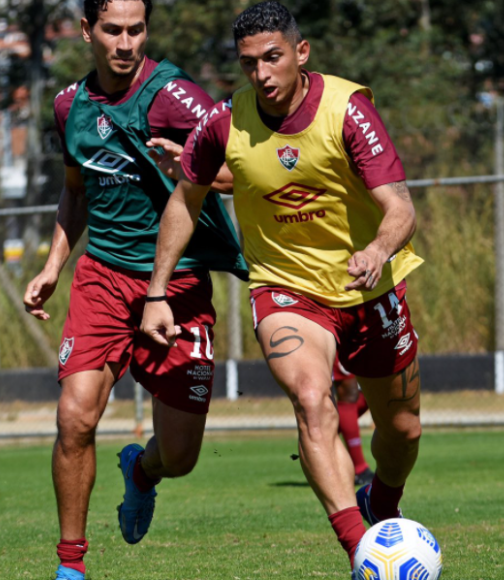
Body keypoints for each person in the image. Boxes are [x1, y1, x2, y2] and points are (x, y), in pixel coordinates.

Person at [141, 1, 424, 569]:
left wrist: (374, 250)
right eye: (249, 64)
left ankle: (382, 500)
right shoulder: (222, 122)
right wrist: (157, 292)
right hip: (285, 289)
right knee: (310, 398)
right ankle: (360, 552)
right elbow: (185, 200)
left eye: (272, 58)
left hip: (368, 287)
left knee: (403, 432)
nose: (262, 74)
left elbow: (400, 208)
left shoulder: (348, 110)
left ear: (301, 53)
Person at [20, 1, 245, 578]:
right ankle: (71, 566)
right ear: (86, 31)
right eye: (113, 30)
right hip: (102, 280)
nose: (126, 43)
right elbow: (76, 190)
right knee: (74, 419)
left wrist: (191, 172)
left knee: (181, 456)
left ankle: (141, 471)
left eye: (136, 30)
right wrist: (53, 266)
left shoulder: (175, 97)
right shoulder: (69, 105)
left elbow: (243, 169)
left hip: (180, 285)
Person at [334, 361, 374, 485]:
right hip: (338, 343)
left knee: (371, 392)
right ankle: (360, 469)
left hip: (362, 342)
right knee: (349, 393)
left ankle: (318, 438)